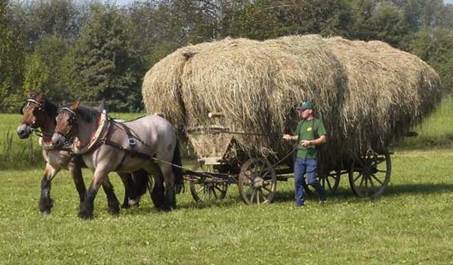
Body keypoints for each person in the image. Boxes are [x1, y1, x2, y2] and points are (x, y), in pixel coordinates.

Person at [283, 101, 327, 207]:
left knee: (311, 180)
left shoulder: (317, 123)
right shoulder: (301, 124)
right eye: (300, 110)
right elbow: (298, 137)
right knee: (298, 180)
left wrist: (310, 142)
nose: (301, 112)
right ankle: (299, 203)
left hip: (311, 157)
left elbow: (323, 138)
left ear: (310, 111)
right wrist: (290, 137)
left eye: (303, 110)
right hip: (300, 156)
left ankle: (322, 194)